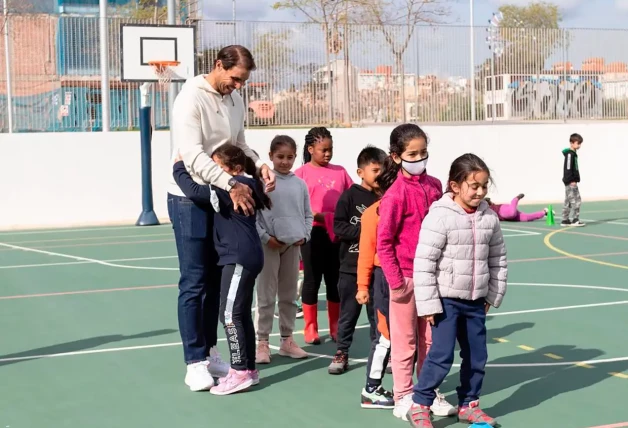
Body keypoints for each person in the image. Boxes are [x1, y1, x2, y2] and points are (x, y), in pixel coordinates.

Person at [167, 44, 276, 392]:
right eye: (235, 79)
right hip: (190, 197)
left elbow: (239, 143)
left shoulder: (234, 99)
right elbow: (192, 155)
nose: (238, 86)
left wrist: (258, 164)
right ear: (218, 66)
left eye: (243, 81)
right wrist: (230, 183)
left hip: (222, 192)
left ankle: (211, 350)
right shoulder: (189, 99)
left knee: (216, 279)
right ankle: (194, 360)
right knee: (195, 280)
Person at [406, 153, 508, 428]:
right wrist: (428, 305)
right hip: (445, 299)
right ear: (454, 186)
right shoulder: (440, 217)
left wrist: (492, 294)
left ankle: (469, 404)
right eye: (473, 186)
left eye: (484, 186)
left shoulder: (489, 218)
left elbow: (497, 258)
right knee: (441, 355)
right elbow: (424, 263)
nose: (480, 191)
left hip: (476, 300)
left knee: (477, 356)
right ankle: (420, 403)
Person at [173, 144, 271, 395]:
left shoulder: (230, 186)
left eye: (218, 167)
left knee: (228, 315)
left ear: (235, 169)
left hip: (237, 257)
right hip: (248, 255)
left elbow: (193, 191)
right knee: (240, 313)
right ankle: (249, 369)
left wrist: (179, 166)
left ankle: (238, 372)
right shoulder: (249, 183)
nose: (213, 173)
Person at [376, 124, 455, 420]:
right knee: (405, 340)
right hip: (406, 279)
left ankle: (428, 392)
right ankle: (403, 395)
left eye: (423, 152)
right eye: (412, 154)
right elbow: (384, 242)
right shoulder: (395, 195)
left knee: (431, 340)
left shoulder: (435, 186)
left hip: (433, 278)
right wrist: (397, 283)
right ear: (396, 157)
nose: (419, 158)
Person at [328, 145, 386, 375]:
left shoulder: (386, 197)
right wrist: (367, 230)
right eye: (375, 170)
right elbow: (338, 227)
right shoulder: (349, 196)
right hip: (350, 269)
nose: (380, 176)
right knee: (348, 316)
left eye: (383, 170)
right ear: (361, 172)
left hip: (377, 269)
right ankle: (342, 353)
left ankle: (381, 355)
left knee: (378, 318)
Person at [254, 135, 312, 363]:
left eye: (290, 157)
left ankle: (287, 340)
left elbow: (308, 213)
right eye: (280, 157)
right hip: (268, 247)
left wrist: (304, 235)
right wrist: (266, 237)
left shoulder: (299, 184)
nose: (285, 162)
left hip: (291, 247)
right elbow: (255, 215)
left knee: (288, 296)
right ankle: (262, 343)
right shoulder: (262, 182)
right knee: (266, 296)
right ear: (270, 156)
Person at [295, 127, 353, 345]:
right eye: (323, 150)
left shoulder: (340, 172)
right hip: (312, 233)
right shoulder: (300, 174)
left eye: (330, 150)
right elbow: (296, 205)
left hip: (336, 234)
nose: (327, 154)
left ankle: (335, 326)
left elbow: (350, 198)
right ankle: (310, 328)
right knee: (311, 280)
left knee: (334, 280)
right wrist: (318, 216)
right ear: (311, 149)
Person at [355, 157, 396, 409]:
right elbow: (366, 252)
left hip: (409, 276)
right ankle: (371, 389)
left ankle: (416, 389)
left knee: (411, 336)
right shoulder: (372, 214)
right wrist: (362, 286)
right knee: (386, 335)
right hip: (383, 278)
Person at [561, 133, 585, 227]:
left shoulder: (573, 154)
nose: (579, 145)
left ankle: (565, 220)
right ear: (571, 143)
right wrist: (571, 180)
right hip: (571, 182)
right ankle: (575, 219)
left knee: (568, 201)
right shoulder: (570, 155)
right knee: (576, 200)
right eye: (577, 143)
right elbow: (568, 168)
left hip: (570, 181)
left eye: (580, 144)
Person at [485, 193, 550, 222]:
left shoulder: (490, 207)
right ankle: (544, 212)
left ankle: (516, 198)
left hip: (502, 210)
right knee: (527, 218)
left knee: (511, 213)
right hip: (507, 217)